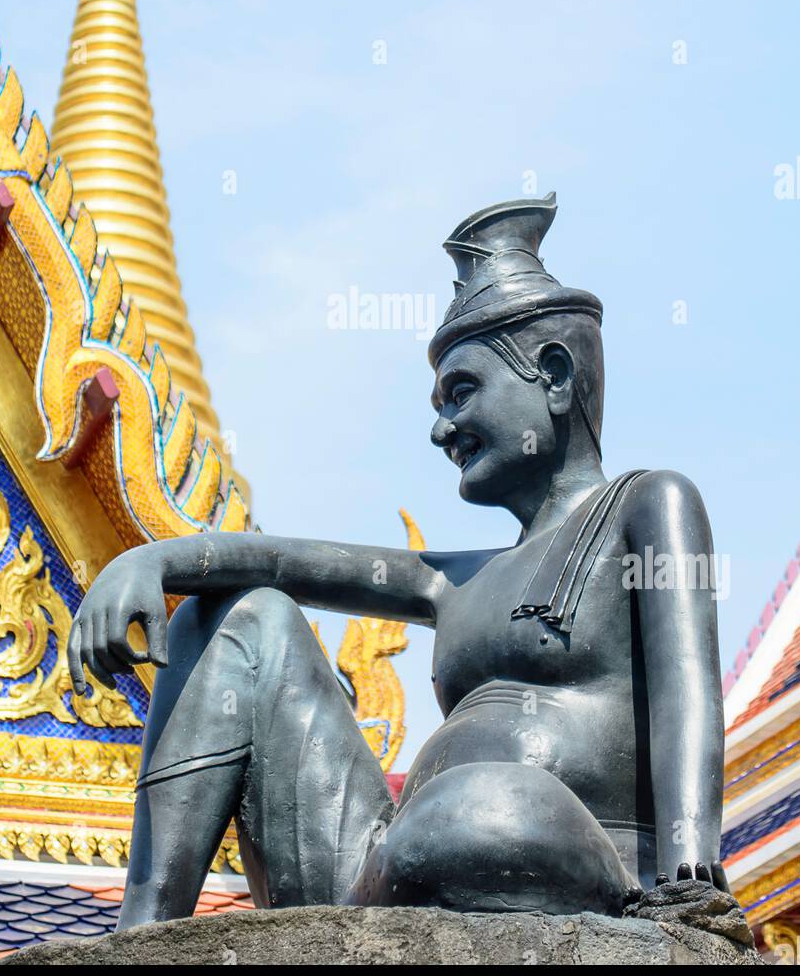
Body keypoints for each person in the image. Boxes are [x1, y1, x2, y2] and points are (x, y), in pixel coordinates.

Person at [68, 194, 727, 927]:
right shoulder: (449, 578)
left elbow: (686, 692)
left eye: (461, 393)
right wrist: (156, 562)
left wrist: (690, 873)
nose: (442, 429)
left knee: (489, 803)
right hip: (390, 861)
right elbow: (292, 563)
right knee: (238, 617)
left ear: (556, 375)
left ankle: (459, 828)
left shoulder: (648, 505)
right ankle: (143, 930)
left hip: (558, 854)